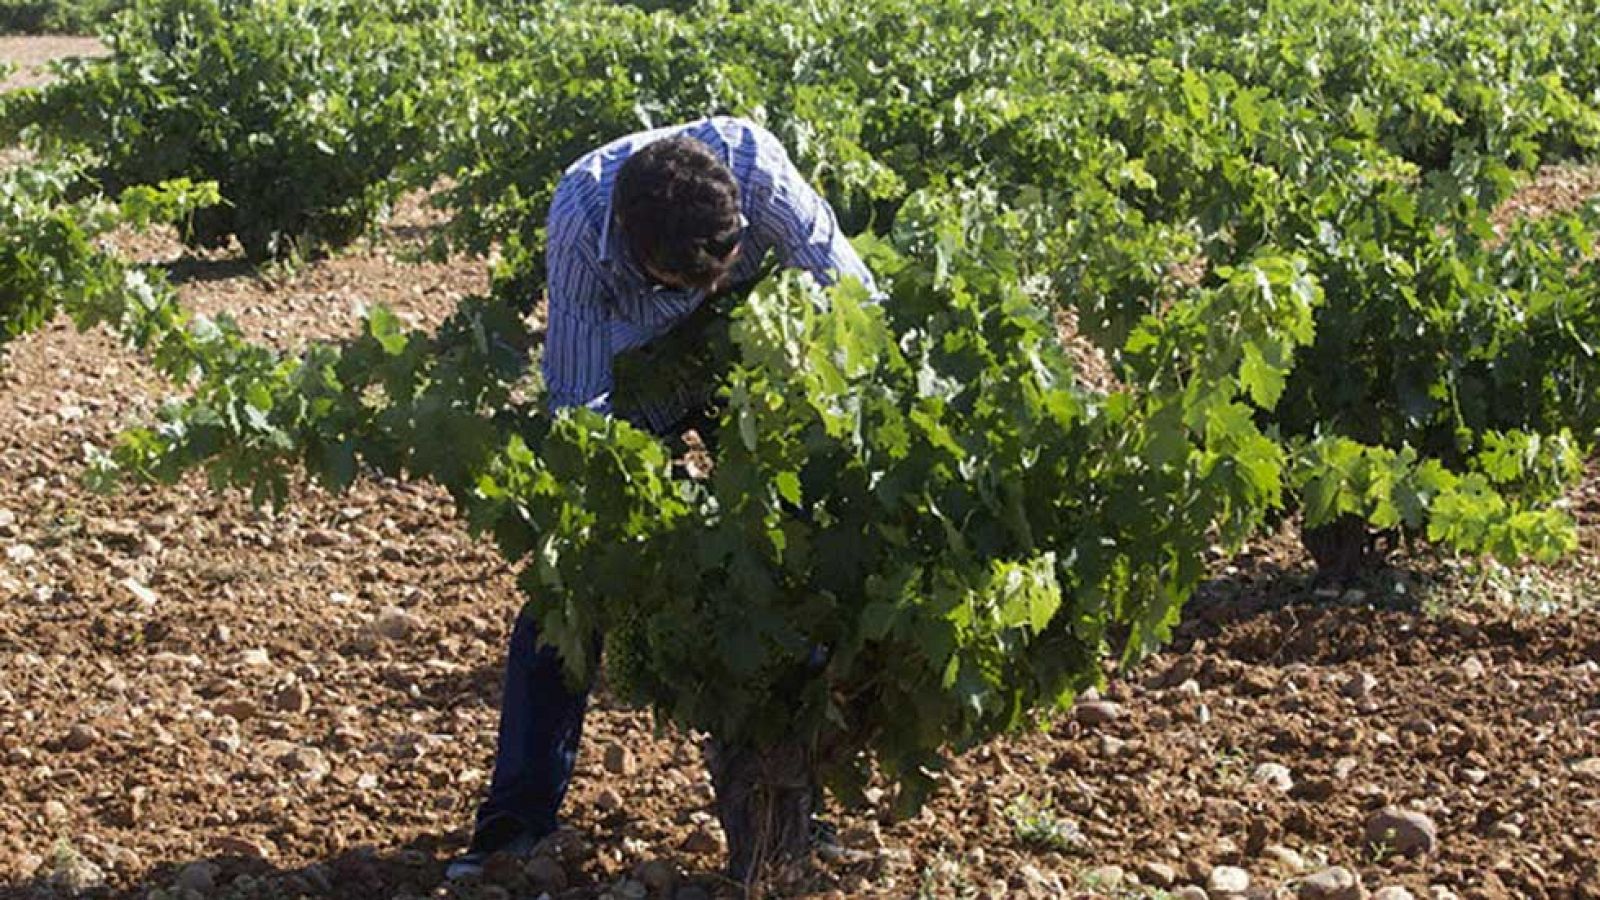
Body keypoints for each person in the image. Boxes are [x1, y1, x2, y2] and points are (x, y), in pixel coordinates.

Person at [447, 116, 877, 880]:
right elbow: (582, 410)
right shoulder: (581, 224)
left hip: (747, 365)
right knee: (565, 594)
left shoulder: (759, 171)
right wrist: (622, 528)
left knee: (799, 568)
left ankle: (794, 814)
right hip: (638, 379)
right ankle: (514, 822)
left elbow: (853, 299)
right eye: (683, 283)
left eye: (721, 265)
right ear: (636, 247)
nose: (703, 289)